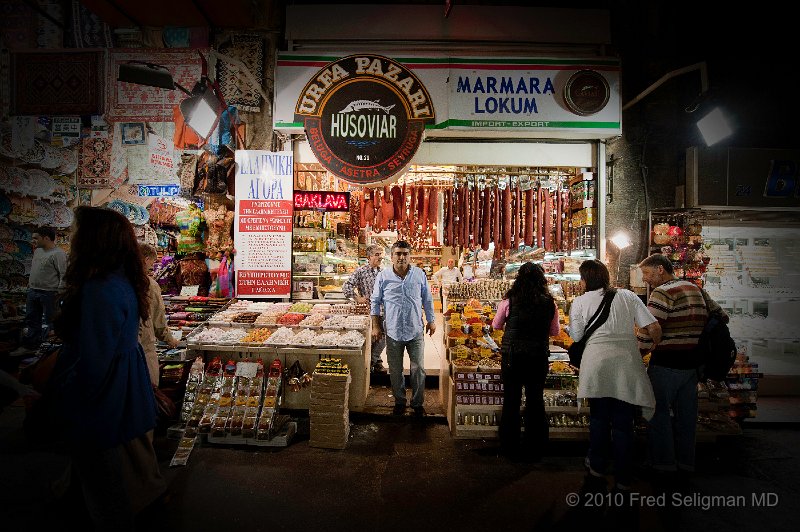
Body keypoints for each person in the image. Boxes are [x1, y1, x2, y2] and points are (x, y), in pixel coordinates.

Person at [50, 206, 165, 529]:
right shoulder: (123, 282)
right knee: (112, 482)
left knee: (108, 490)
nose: (70, 239)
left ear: (92, 240)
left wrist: (67, 395)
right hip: (120, 388)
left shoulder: (101, 289)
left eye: (74, 232)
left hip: (103, 398)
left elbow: (94, 361)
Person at [569, 259, 662, 492]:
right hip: (626, 364)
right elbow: (653, 328)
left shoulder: (579, 302)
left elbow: (578, 336)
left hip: (597, 364)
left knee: (599, 419)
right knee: (623, 423)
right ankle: (623, 477)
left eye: (581, 278)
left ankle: (597, 468)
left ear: (586, 279)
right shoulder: (628, 296)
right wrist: (652, 350)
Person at [636, 253, 726, 476]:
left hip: (667, 364)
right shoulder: (695, 288)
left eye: (646, 273)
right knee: (686, 417)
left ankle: (663, 465)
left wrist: (637, 353)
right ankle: (686, 463)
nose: (645, 279)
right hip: (692, 366)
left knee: (659, 415)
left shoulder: (662, 293)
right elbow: (722, 316)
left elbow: (650, 329)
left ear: (660, 269)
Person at [491, 262, 559, 461]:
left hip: (513, 358)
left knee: (511, 401)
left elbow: (496, 325)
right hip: (538, 358)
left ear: (518, 279)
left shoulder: (509, 301)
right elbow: (555, 332)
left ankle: (509, 446)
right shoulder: (550, 303)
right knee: (535, 401)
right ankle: (536, 446)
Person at [370, 240, 436, 417]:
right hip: (392, 331)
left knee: (418, 369)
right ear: (392, 256)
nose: (401, 257)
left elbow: (427, 299)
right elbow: (375, 302)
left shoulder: (419, 274)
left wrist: (431, 320)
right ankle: (399, 401)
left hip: (415, 330)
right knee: (395, 369)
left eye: (405, 254)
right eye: (398, 254)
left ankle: (417, 403)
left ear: (410, 256)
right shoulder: (383, 276)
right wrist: (376, 326)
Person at [11, 227, 67, 356]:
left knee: (52, 321)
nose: (33, 240)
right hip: (33, 291)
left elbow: (64, 274)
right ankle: (31, 346)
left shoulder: (58, 254)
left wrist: (60, 291)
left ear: (46, 238)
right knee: (32, 319)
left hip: (50, 292)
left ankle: (53, 351)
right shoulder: (38, 251)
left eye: (36, 238)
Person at [139, 243, 180, 387]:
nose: (153, 266)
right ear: (145, 259)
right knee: (147, 390)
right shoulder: (149, 285)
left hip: (122, 354)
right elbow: (158, 322)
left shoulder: (119, 282)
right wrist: (170, 340)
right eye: (152, 262)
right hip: (144, 348)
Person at [342, 244, 387, 373]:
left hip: (384, 310)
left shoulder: (384, 271)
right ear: (369, 257)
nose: (380, 257)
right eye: (377, 255)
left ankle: (372, 361)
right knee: (371, 336)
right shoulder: (361, 271)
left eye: (381, 255)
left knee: (384, 336)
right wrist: (357, 298)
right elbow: (346, 287)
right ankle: (372, 363)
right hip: (369, 311)